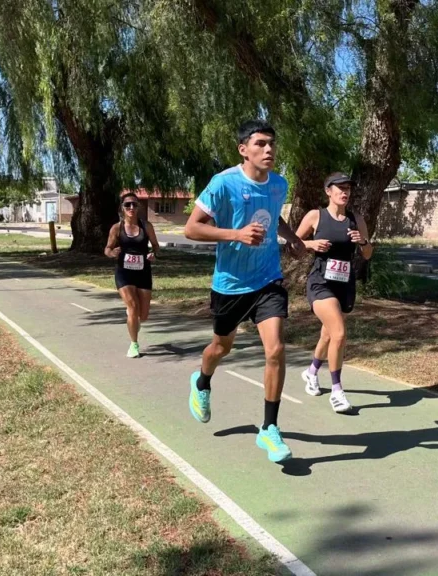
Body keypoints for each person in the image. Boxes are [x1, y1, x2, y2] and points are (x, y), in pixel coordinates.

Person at [184, 119, 307, 464]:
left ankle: (269, 428)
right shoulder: (223, 183)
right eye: (260, 144)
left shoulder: (279, 184)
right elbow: (191, 228)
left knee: (276, 349)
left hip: (268, 280)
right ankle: (202, 382)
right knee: (220, 348)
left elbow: (274, 217)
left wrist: (293, 239)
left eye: (272, 144)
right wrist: (236, 234)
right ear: (243, 150)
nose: (269, 150)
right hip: (231, 284)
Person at [296, 172, 374, 413]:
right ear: (328, 191)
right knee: (339, 333)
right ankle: (337, 391)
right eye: (340, 188)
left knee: (329, 335)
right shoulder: (315, 216)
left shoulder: (356, 219)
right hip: (320, 283)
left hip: (344, 283)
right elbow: (293, 244)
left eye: (348, 188)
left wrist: (362, 242)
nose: (345, 192)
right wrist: (311, 244)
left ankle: (311, 372)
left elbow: (368, 254)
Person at [105, 193, 160, 358]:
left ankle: (133, 320)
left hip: (143, 272)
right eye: (127, 205)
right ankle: (134, 344)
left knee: (143, 315)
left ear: (138, 207)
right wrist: (112, 253)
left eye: (134, 204)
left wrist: (154, 254)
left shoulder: (146, 226)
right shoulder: (117, 228)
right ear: (122, 208)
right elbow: (107, 248)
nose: (131, 207)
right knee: (133, 306)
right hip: (124, 273)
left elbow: (156, 246)